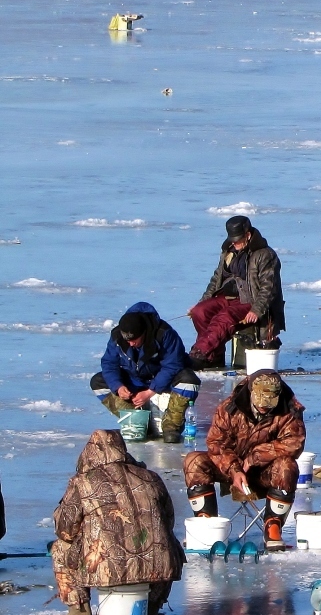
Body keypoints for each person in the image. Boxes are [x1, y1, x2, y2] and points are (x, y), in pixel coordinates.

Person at [49, 430, 184, 615]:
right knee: (168, 541)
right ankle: (151, 611)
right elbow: (169, 521)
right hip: (154, 565)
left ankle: (79, 613)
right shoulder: (151, 477)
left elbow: (65, 529)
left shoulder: (83, 482)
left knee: (61, 547)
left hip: (107, 564)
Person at [183, 371, 303, 551]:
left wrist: (255, 457)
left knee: (288, 466)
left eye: (269, 403)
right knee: (194, 461)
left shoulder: (289, 410)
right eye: (260, 401)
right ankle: (205, 523)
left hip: (266, 472)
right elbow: (216, 444)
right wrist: (234, 469)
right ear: (250, 392)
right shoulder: (229, 408)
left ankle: (273, 525)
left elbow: (294, 444)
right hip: (230, 468)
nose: (263, 407)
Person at [91, 304, 200, 444]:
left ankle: (171, 426)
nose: (130, 344)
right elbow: (109, 363)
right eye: (127, 340)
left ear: (143, 333)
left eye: (134, 340)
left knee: (189, 380)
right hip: (135, 379)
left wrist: (150, 392)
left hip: (163, 380)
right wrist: (118, 387)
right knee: (98, 381)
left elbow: (172, 365)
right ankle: (136, 419)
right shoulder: (117, 336)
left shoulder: (164, 334)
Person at [188, 215, 285, 369]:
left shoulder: (265, 255)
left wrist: (257, 309)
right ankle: (213, 357)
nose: (234, 243)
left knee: (224, 318)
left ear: (248, 235)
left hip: (251, 300)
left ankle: (200, 353)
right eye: (232, 239)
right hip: (227, 297)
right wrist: (202, 302)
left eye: (237, 239)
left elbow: (269, 288)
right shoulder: (228, 252)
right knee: (200, 312)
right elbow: (216, 279)